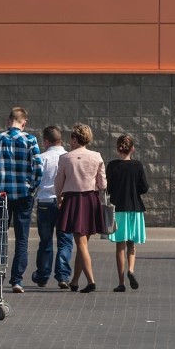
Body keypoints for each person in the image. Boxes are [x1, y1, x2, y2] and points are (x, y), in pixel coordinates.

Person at [0, 107, 43, 294]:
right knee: (22, 238)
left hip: (2, 195)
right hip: (24, 194)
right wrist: (32, 186)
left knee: (0, 236)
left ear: (8, 120)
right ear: (24, 122)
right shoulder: (30, 140)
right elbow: (38, 168)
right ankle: (17, 280)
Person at [54, 123, 107, 294]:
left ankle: (91, 281)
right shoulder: (96, 156)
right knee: (82, 242)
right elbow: (103, 183)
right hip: (91, 199)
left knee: (80, 242)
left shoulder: (65, 158)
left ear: (75, 139)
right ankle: (75, 281)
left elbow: (59, 182)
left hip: (73, 200)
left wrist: (58, 197)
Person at [30, 125, 74, 289]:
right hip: (64, 202)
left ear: (46, 141)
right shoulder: (68, 157)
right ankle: (63, 275)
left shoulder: (41, 158)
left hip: (45, 202)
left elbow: (35, 181)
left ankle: (42, 275)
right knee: (65, 240)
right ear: (60, 139)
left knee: (46, 241)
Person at [106, 134, 149, 292]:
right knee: (132, 243)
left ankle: (121, 282)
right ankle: (131, 270)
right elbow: (144, 187)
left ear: (118, 148)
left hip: (118, 209)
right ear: (133, 149)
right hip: (135, 208)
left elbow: (108, 188)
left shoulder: (112, 166)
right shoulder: (137, 165)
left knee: (120, 246)